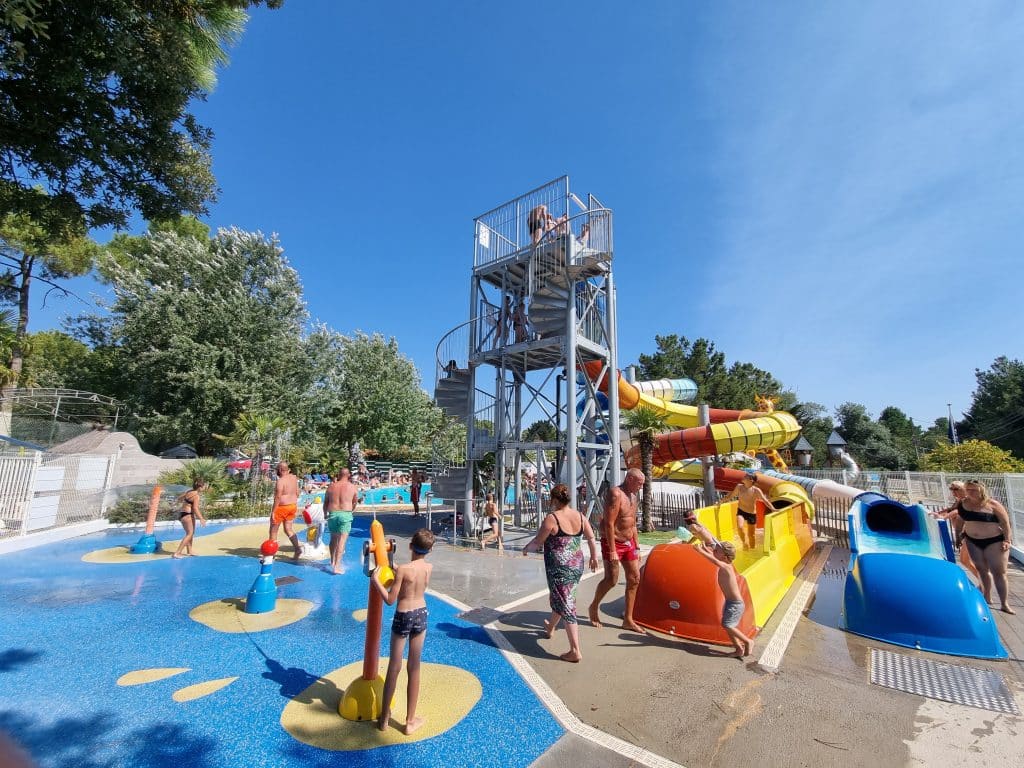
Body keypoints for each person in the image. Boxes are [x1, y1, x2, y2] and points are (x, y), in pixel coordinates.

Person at [522, 484, 598, 662]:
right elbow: (591, 537)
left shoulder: (552, 518)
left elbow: (538, 541)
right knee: (564, 598)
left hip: (559, 569)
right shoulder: (580, 516)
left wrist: (526, 549)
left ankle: (575, 650)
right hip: (576, 565)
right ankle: (550, 627)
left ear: (555, 500)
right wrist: (594, 556)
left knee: (567, 604)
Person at [372, 528, 435, 735]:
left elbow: (391, 600)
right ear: (430, 550)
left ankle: (383, 719)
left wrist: (376, 581)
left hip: (403, 615)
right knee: (414, 667)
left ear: (409, 546)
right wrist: (397, 568)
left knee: (394, 666)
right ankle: (409, 722)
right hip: (421, 613)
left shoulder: (403, 570)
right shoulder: (428, 568)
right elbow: (412, 576)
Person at [588, 468, 646, 633]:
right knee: (611, 580)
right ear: (629, 478)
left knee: (635, 578)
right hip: (613, 542)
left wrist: (637, 546)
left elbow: (632, 523)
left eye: (642, 484)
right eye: (639, 483)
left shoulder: (634, 496)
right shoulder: (616, 494)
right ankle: (594, 606)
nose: (640, 487)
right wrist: (612, 550)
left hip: (629, 543)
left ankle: (628, 619)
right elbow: (608, 523)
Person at [952, 480, 1015, 614]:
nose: (970, 493)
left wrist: (1007, 540)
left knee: (999, 572)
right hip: (972, 540)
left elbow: (1005, 523)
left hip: (994, 541)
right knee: (981, 569)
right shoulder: (963, 504)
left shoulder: (993, 504)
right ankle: (987, 597)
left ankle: (1004, 603)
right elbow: (960, 520)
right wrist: (957, 536)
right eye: (968, 490)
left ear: (981, 490)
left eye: (973, 490)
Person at [693, 541, 753, 658]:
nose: (714, 551)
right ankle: (738, 649)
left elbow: (714, 560)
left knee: (728, 625)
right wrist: (706, 549)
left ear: (724, 557)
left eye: (717, 551)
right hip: (730, 602)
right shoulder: (724, 562)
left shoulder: (726, 566)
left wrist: (700, 551)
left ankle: (747, 641)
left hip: (735, 604)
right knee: (728, 626)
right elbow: (715, 557)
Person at [930, 480, 980, 579]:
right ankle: (983, 580)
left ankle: (984, 581)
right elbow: (951, 509)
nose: (953, 491)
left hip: (971, 535)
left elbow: (957, 511)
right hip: (966, 535)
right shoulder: (959, 500)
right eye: (951, 489)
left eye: (956, 489)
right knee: (965, 560)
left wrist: (944, 517)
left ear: (963, 489)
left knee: (967, 560)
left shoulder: (966, 500)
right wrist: (939, 512)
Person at [718, 473, 772, 550]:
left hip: (752, 514)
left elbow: (765, 500)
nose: (744, 477)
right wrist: (721, 501)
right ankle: (744, 543)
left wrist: (773, 509)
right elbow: (731, 496)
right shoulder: (739, 487)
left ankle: (752, 550)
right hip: (741, 511)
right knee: (740, 527)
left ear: (751, 480)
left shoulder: (756, 490)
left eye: (746, 477)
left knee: (751, 535)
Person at [325, 468, 360, 575]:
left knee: (333, 539)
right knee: (342, 540)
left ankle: (332, 561)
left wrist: (324, 514)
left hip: (333, 514)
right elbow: (355, 502)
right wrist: (352, 510)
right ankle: (337, 566)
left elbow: (325, 503)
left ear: (339, 474)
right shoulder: (352, 487)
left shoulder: (331, 486)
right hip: (345, 514)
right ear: (348, 475)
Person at [269, 461, 302, 562]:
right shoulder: (294, 478)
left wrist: (273, 511)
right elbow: (298, 493)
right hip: (292, 506)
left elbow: (278, 497)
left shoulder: (281, 481)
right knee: (288, 529)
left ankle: (271, 554)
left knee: (273, 531)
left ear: (279, 470)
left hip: (282, 507)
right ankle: (297, 549)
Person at [172, 480, 207, 558]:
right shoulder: (196, 496)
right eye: (204, 486)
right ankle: (177, 553)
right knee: (189, 534)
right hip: (188, 515)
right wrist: (201, 518)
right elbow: (195, 508)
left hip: (182, 514)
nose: (205, 488)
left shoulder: (189, 492)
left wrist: (182, 504)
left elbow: (179, 498)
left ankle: (189, 551)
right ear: (200, 487)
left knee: (190, 533)